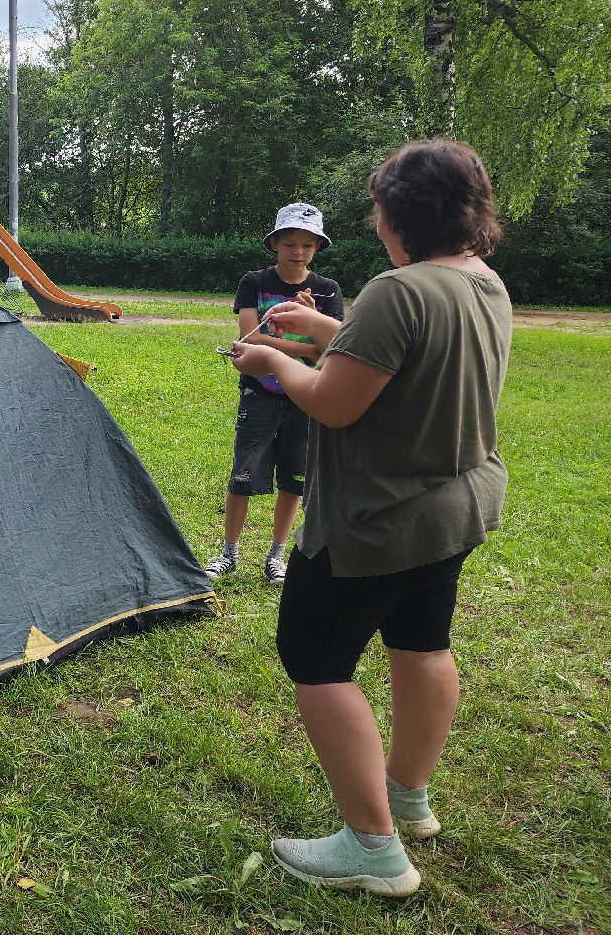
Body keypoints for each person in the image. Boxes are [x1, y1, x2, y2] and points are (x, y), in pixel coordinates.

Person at [229, 138, 511, 897]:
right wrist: (320, 331)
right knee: (422, 643)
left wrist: (274, 361)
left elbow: (334, 400)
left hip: (377, 519)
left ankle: (372, 847)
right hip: (455, 508)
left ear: (398, 216)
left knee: (315, 660)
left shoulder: (397, 288)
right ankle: (409, 801)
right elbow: (405, 356)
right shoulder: (481, 281)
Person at [205, 203, 344, 586]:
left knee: (294, 481)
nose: (297, 252)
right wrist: (309, 340)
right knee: (243, 474)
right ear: (274, 245)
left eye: (306, 245)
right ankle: (228, 553)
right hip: (259, 395)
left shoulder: (327, 290)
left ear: (317, 248)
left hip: (307, 397)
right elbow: (251, 338)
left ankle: (276, 556)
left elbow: (334, 349)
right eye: (288, 243)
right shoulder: (255, 282)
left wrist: (315, 322)